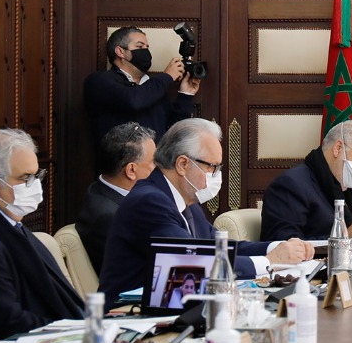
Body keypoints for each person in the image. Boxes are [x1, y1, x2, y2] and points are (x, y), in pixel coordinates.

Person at [99, 119, 314, 306]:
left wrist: (277, 247)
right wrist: (269, 262)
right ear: (183, 164)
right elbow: (197, 261)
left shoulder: (186, 201)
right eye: (212, 167)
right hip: (126, 318)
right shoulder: (149, 201)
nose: (216, 175)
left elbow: (221, 248)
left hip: (170, 308)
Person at [0, 129, 84, 338]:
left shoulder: (11, 226)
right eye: (26, 178)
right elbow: (7, 322)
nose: (35, 186)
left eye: (37, 176)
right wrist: (78, 332)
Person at [261, 120, 352, 243]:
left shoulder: (349, 190)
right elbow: (284, 244)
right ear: (338, 148)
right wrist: (344, 237)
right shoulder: (290, 185)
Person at [83, 25, 200, 147]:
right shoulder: (98, 81)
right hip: (122, 159)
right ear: (120, 52)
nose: (146, 52)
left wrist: (186, 94)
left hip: (157, 159)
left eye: (147, 47)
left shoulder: (155, 87)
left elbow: (175, 130)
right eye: (139, 47)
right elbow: (133, 100)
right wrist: (167, 76)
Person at [75, 122, 156, 273]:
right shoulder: (110, 217)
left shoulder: (99, 188)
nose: (159, 168)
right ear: (131, 170)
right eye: (154, 162)